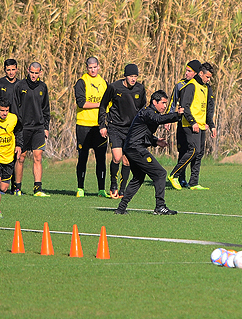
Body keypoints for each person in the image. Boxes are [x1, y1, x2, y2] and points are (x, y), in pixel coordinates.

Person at [114, 90, 183, 215]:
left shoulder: (149, 113)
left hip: (132, 148)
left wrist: (156, 141)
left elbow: (143, 133)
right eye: (162, 103)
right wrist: (176, 115)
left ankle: (121, 208)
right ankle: (160, 207)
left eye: (165, 103)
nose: (164, 106)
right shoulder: (148, 112)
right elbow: (158, 119)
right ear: (154, 102)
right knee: (161, 174)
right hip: (136, 149)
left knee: (138, 178)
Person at [98, 63, 146, 199]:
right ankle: (113, 185)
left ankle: (122, 190)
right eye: (131, 76)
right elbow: (103, 105)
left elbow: (143, 108)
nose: (133, 79)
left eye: (135, 76)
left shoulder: (140, 89)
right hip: (115, 127)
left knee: (127, 161)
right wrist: (102, 125)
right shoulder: (114, 87)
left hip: (131, 129)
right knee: (117, 157)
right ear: (125, 76)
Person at [168, 62, 217, 191]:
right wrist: (192, 122)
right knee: (193, 150)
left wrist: (211, 125)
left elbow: (208, 108)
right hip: (189, 124)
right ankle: (174, 175)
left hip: (201, 125)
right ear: (201, 74)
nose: (208, 79)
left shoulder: (206, 88)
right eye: (207, 77)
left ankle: (194, 182)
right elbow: (184, 107)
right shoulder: (191, 86)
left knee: (199, 153)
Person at [11, 62, 51, 197]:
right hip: (23, 128)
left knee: (38, 157)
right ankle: (17, 188)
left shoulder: (43, 87)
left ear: (40, 73)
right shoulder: (20, 86)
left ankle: (37, 188)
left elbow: (46, 109)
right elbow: (15, 108)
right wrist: (16, 128)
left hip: (38, 128)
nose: (33, 75)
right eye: (32, 72)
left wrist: (46, 127)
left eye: (36, 73)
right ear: (28, 71)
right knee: (20, 157)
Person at [74, 56, 109, 198]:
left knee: (101, 158)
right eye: (90, 68)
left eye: (95, 67)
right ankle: (80, 188)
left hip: (99, 127)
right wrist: (100, 104)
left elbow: (109, 104)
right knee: (83, 157)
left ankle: (101, 189)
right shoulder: (82, 82)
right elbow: (81, 103)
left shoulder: (103, 83)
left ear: (99, 67)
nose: (93, 70)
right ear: (86, 68)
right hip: (83, 126)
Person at [164, 59, 202, 189]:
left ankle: (192, 181)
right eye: (186, 70)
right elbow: (173, 102)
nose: (186, 73)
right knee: (183, 150)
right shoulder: (180, 85)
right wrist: (169, 119)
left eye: (189, 71)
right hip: (182, 122)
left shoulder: (199, 86)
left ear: (196, 73)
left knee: (193, 151)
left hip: (194, 123)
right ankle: (181, 178)